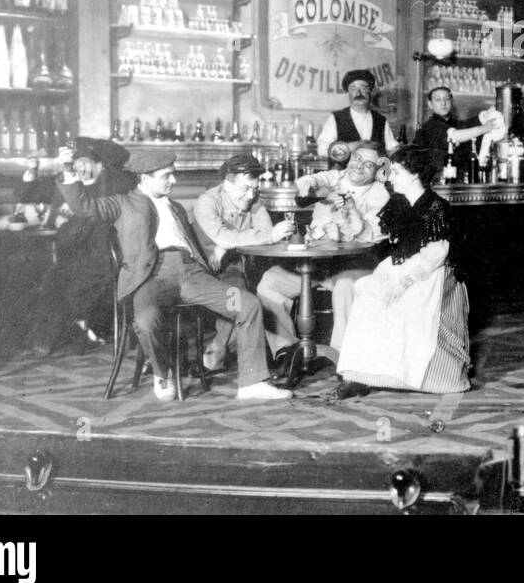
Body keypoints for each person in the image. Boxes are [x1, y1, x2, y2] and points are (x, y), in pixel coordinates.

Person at [58, 149, 291, 403]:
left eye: (173, 174)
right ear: (144, 178)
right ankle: (161, 374)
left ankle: (252, 383)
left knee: (246, 304)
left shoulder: (177, 207)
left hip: (192, 276)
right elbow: (85, 206)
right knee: (146, 321)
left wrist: (222, 248)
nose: (174, 181)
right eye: (166, 176)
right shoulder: (122, 203)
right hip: (151, 279)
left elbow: (200, 245)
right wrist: (69, 171)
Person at [335, 144, 470, 397]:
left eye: (395, 171)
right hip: (397, 266)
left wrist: (404, 281)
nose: (390, 177)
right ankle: (357, 375)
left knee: (409, 306)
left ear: (415, 174)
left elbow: (436, 252)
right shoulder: (396, 203)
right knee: (366, 295)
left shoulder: (436, 207)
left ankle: (415, 376)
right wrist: (353, 213)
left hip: (430, 272)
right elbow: (372, 233)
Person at [256, 142, 391, 359]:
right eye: (356, 158)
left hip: (354, 264)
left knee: (346, 287)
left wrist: (350, 217)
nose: (359, 166)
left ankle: (342, 358)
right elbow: (308, 182)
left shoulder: (380, 195)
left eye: (368, 165)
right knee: (269, 282)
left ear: (377, 170)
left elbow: (373, 236)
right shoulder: (336, 177)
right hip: (317, 264)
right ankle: (286, 351)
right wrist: (317, 187)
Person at [191, 153, 296, 367]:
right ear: (227, 185)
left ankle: (218, 354)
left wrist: (228, 244)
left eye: (254, 188)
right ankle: (219, 355)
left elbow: (263, 231)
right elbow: (259, 235)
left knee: (242, 293)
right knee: (239, 295)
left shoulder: (254, 199)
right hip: (199, 268)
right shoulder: (207, 202)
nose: (251, 196)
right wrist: (227, 241)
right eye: (245, 189)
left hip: (231, 265)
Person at [26, 141, 130, 355]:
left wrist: (64, 226)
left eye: (85, 163)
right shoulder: (93, 185)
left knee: (60, 281)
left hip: (103, 261)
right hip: (92, 257)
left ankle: (53, 339)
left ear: (100, 164)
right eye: (77, 163)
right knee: (55, 277)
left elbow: (83, 228)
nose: (80, 168)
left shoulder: (108, 186)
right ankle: (63, 335)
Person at [413, 86, 504, 178]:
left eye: (447, 99)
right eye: (438, 100)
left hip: (459, 179)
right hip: (439, 181)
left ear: (451, 102)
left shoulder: (456, 123)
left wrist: (500, 104)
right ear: (430, 104)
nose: (443, 103)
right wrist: (485, 128)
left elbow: (474, 122)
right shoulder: (430, 126)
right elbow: (454, 136)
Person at [316, 68, 399, 156]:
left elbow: (392, 148)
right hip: (344, 170)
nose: (358, 93)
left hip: (376, 169)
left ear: (370, 91)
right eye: (353, 88)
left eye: (363, 88)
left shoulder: (381, 120)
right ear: (348, 93)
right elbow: (322, 150)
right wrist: (353, 146)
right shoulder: (336, 118)